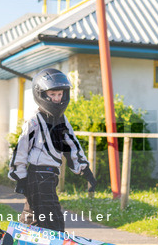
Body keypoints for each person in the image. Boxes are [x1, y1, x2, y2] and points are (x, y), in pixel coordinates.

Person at [8, 68, 96, 232]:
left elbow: (71, 146)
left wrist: (85, 171)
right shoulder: (35, 121)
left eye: (60, 94)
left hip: (51, 175)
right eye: (52, 95)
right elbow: (21, 149)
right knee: (53, 220)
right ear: (41, 94)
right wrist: (20, 176)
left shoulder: (62, 121)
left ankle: (18, 243)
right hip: (38, 175)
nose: (57, 99)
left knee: (33, 215)